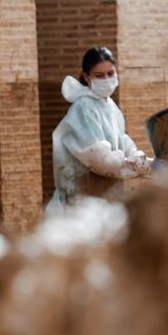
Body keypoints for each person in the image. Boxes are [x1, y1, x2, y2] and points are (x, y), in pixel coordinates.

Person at [46, 46, 154, 215]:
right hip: (80, 203)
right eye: (99, 75)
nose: (106, 79)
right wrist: (144, 167)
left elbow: (122, 142)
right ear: (87, 77)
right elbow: (103, 161)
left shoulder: (110, 107)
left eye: (110, 73)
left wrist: (144, 159)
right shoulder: (83, 108)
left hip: (104, 199)